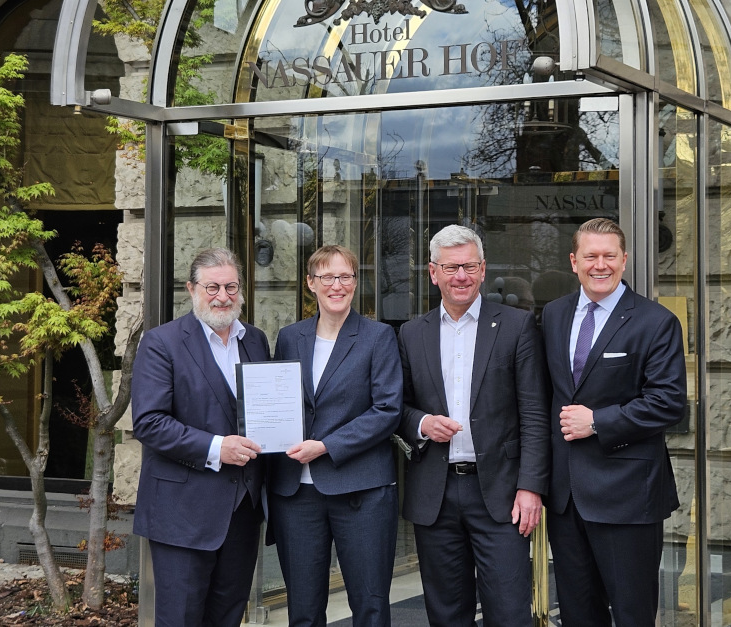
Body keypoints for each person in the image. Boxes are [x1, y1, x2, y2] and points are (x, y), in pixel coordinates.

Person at [396, 225, 550, 627]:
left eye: (468, 266)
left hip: (501, 494)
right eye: (450, 267)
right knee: (446, 614)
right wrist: (423, 422)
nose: (459, 276)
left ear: (482, 270)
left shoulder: (517, 326)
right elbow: (398, 407)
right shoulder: (412, 333)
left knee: (509, 613)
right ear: (433, 273)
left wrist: (531, 486)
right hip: (436, 492)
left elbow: (534, 412)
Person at [540, 218, 687, 627]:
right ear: (574, 261)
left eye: (609, 256)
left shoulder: (655, 321)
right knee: (577, 611)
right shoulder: (553, 314)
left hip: (628, 496)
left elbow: (669, 401)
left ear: (624, 260)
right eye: (590, 256)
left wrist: (599, 422)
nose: (599, 265)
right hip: (567, 496)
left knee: (631, 612)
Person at [132, 247, 270, 627]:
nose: (223, 296)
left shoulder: (255, 340)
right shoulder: (162, 343)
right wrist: (216, 447)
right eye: (212, 287)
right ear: (191, 289)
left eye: (231, 286)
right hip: (183, 514)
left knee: (227, 618)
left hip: (242, 511)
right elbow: (149, 422)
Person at [269, 245, 402, 627]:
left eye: (346, 277)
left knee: (370, 606)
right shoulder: (291, 337)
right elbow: (282, 403)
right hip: (297, 495)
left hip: (361, 491)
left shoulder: (378, 337)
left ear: (355, 283)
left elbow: (387, 410)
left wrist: (326, 446)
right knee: (304, 611)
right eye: (328, 277)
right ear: (311, 284)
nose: (337, 285)